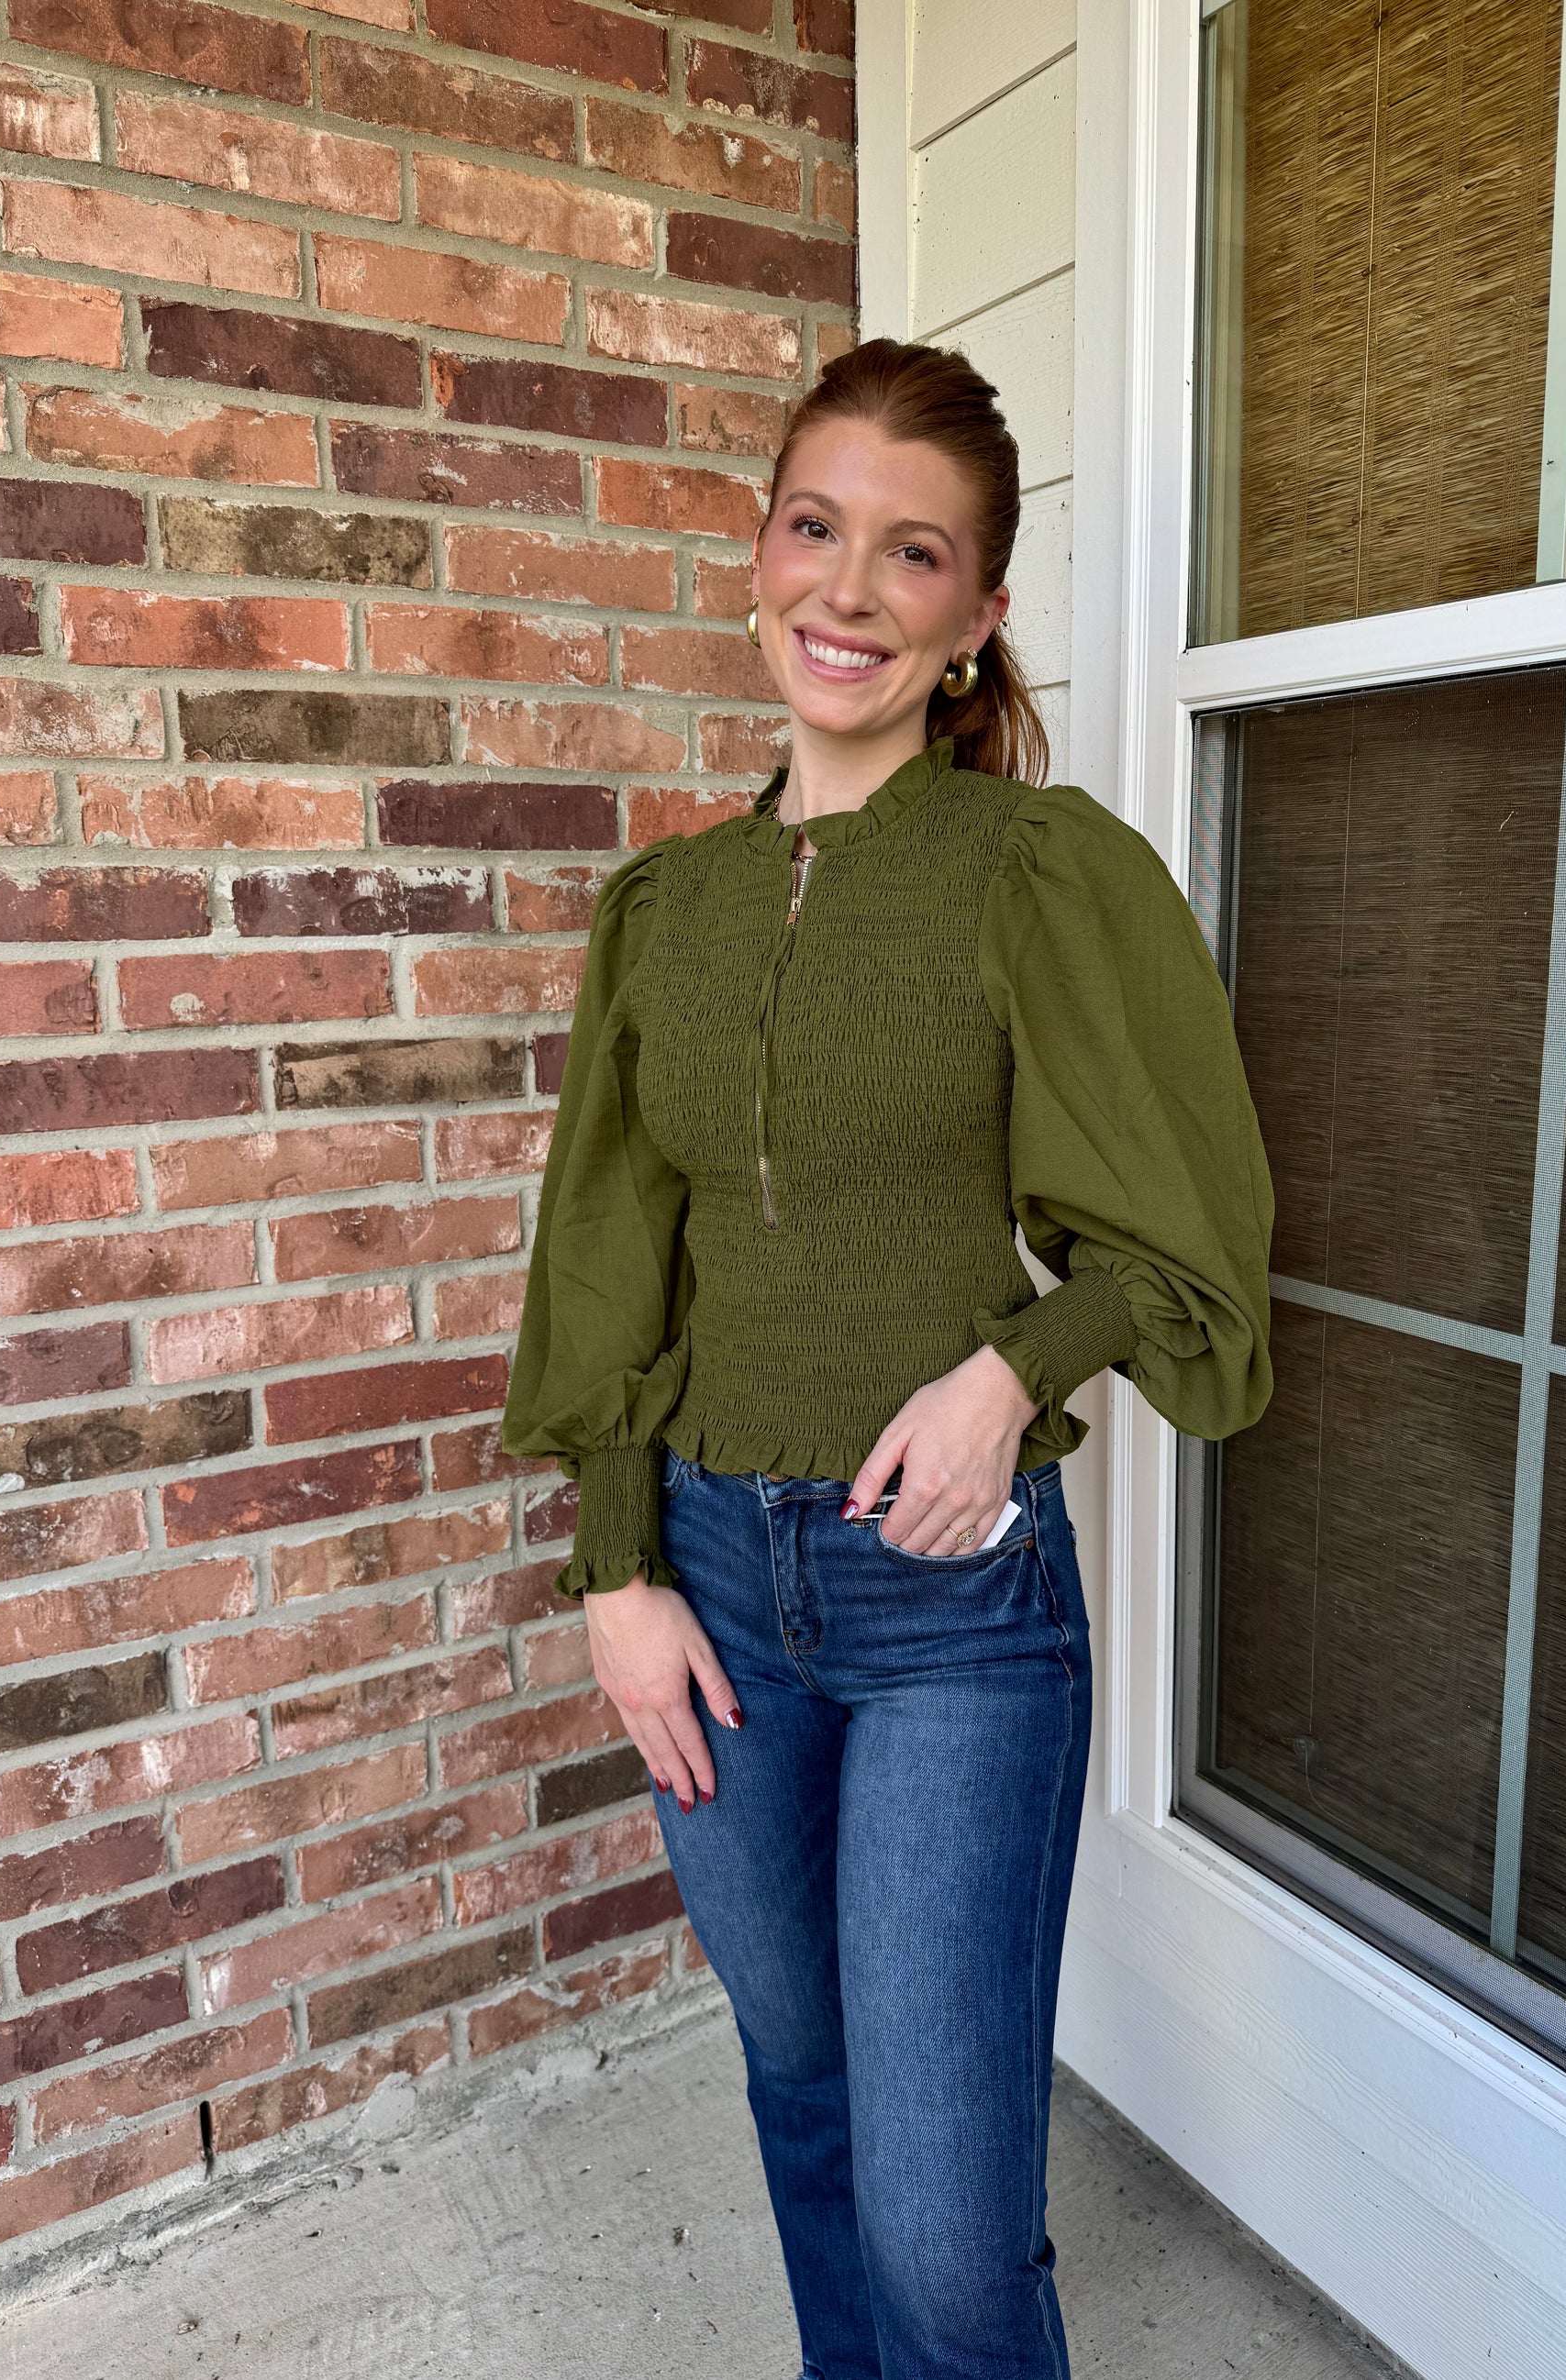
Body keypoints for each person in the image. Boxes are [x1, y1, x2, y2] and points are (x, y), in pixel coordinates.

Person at [502, 337, 1273, 2380]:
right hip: (704, 1589)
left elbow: (1179, 1231)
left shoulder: (1035, 874)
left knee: (944, 2232)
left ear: (975, 613)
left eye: (911, 553)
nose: (847, 590)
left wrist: (1012, 1371)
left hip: (946, 1607)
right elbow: (610, 1256)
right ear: (757, 556)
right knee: (803, 2090)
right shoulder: (661, 909)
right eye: (813, 527)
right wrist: (615, 1570)